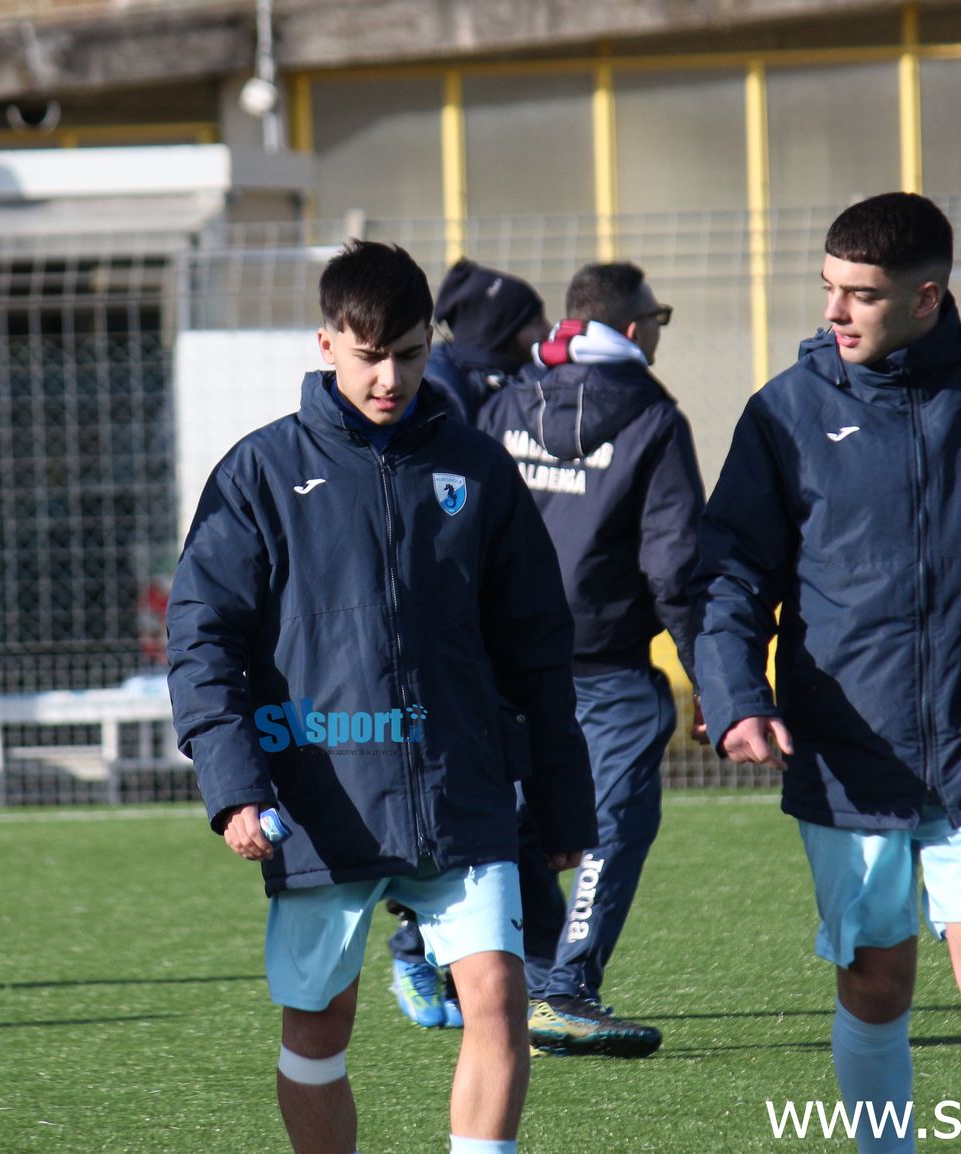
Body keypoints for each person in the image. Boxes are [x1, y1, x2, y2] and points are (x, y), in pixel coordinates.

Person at [690, 193, 961, 1154]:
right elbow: (730, 577)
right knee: (876, 984)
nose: (834, 312)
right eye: (829, 289)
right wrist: (735, 696)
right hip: (851, 757)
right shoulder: (785, 413)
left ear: (927, 297)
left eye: (861, 295)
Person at [167, 239, 596, 1154]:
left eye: (408, 353)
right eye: (369, 355)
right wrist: (234, 786)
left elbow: (536, 649)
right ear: (326, 343)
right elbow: (202, 640)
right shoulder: (260, 472)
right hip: (322, 800)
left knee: (498, 999)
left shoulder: (478, 470)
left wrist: (562, 799)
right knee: (319, 1026)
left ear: (432, 341)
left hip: (461, 792)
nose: (390, 377)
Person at [477, 261, 704, 1058]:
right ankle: (564, 988)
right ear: (636, 329)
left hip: (505, 662)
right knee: (613, 823)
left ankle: (520, 978)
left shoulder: (506, 402)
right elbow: (675, 569)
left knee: (514, 819)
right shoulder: (654, 418)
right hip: (608, 667)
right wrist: (716, 683)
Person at [382, 257, 547, 1031]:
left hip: (492, 633)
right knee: (431, 818)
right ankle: (415, 953)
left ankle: (520, 979)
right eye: (529, 319)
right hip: (431, 655)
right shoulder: (442, 393)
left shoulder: (511, 387)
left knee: (504, 823)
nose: (541, 333)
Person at [422, 257, 550, 423]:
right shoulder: (443, 398)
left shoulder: (491, 380)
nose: (548, 330)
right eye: (536, 322)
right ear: (502, 335)